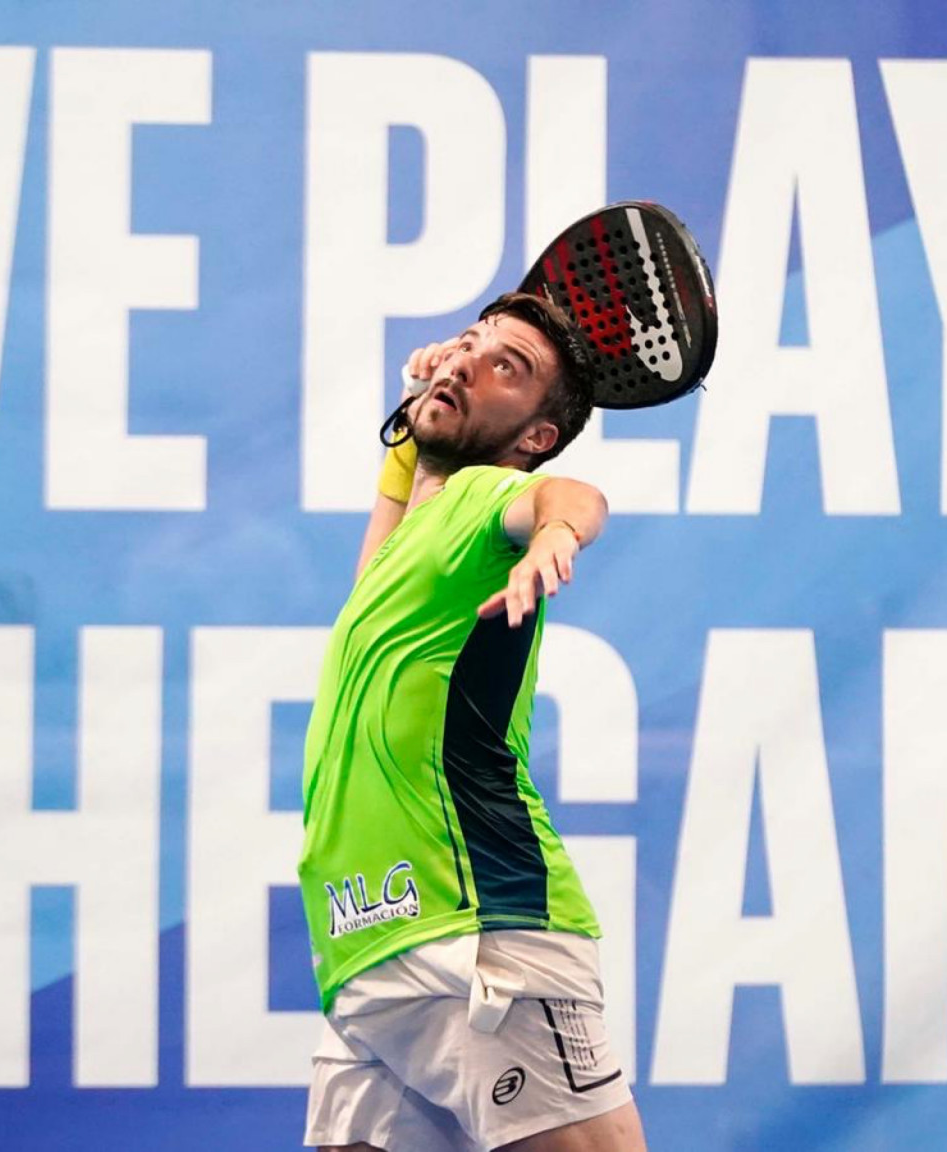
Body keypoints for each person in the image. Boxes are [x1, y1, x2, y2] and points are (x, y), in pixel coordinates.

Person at [299, 292, 647, 1152]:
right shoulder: (407, 548)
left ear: (535, 435)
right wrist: (423, 416)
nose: (465, 361)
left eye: (506, 367)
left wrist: (557, 532)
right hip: (368, 956)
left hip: (483, 946)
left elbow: (570, 494)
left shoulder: (486, 501)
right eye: (467, 342)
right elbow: (392, 525)